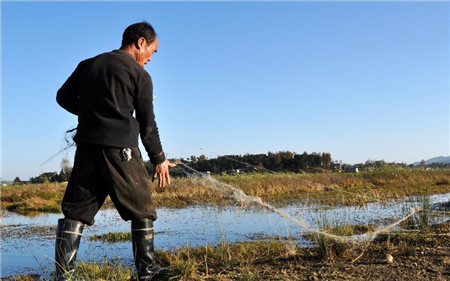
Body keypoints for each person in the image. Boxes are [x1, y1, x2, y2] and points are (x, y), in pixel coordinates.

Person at [55, 22, 175, 281]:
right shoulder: (139, 75)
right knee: (142, 208)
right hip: (122, 151)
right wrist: (159, 158)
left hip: (87, 148)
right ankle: (147, 271)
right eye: (152, 51)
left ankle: (63, 276)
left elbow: (63, 97)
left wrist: (92, 115)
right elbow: (147, 123)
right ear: (140, 42)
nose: (151, 58)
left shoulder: (88, 64)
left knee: (76, 210)